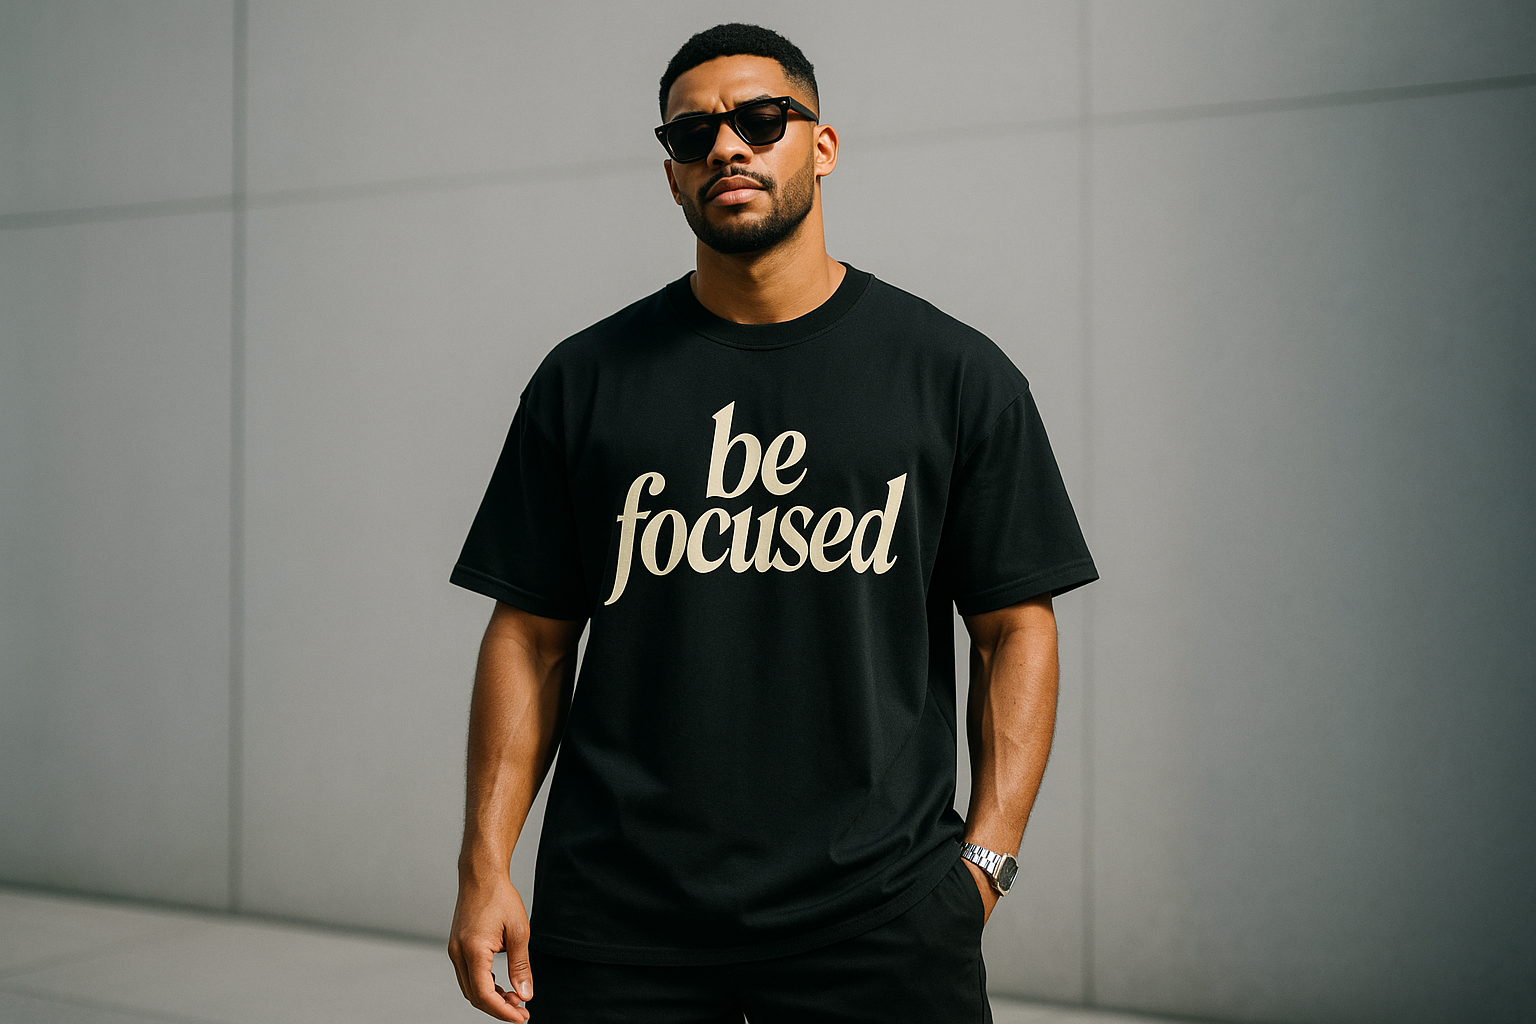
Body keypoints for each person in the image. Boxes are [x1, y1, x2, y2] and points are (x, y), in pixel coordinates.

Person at [445, 22, 1097, 1024]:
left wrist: (985, 864)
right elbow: (530, 635)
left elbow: (1016, 627)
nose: (726, 147)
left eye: (760, 120)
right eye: (692, 134)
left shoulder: (954, 375)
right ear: (671, 174)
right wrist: (484, 865)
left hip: (882, 918)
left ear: (821, 146)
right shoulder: (585, 381)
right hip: (621, 921)